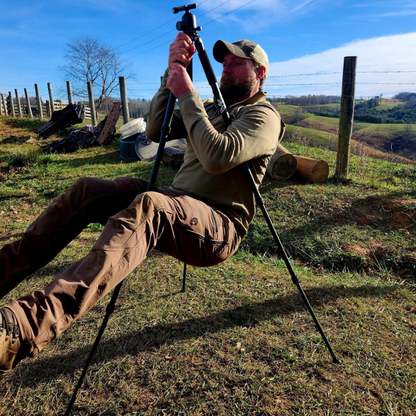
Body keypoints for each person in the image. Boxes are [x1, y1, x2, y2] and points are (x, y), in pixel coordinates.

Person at [0, 33, 285, 379]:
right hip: (178, 200)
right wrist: (172, 73)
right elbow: (154, 129)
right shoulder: (212, 108)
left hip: (219, 226)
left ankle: (22, 329)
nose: (226, 70)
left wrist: (188, 95)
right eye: (224, 63)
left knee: (152, 206)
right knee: (88, 189)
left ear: (261, 73)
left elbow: (216, 156)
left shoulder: (264, 117)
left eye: (237, 64)